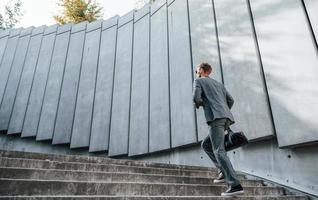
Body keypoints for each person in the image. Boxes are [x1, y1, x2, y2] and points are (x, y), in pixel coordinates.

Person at [193, 62, 244, 196]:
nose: (196, 72)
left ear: (202, 70)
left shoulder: (198, 81)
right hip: (226, 118)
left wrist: (203, 104)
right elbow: (231, 100)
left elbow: (196, 98)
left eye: (196, 70)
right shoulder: (219, 84)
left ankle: (235, 185)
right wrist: (222, 110)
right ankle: (222, 171)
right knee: (206, 144)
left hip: (216, 119)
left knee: (219, 150)